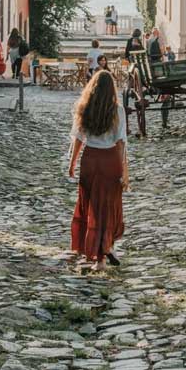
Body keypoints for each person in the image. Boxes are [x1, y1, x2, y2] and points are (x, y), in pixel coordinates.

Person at [67, 70, 129, 269]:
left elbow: (78, 138)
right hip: (110, 160)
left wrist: (73, 163)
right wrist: (125, 172)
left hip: (90, 159)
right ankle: (105, 251)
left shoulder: (84, 108)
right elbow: (121, 143)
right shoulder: (117, 111)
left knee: (90, 205)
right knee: (108, 207)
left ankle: (93, 252)